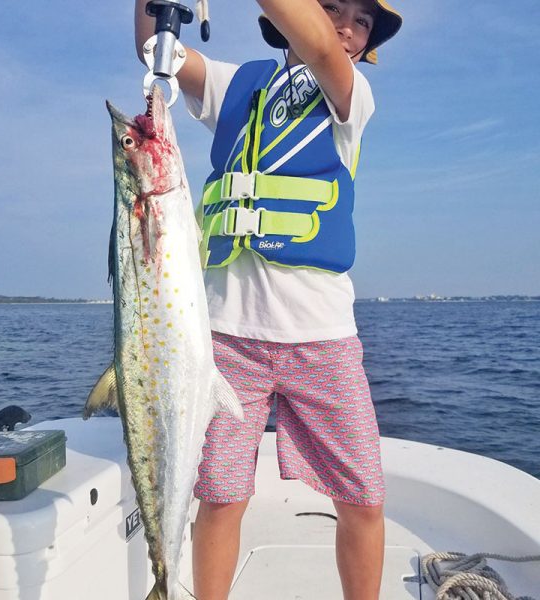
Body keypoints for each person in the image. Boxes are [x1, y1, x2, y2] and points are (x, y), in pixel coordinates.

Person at [135, 0, 402, 598]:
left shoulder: (351, 94)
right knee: (222, 496)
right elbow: (156, 50)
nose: (343, 26)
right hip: (225, 339)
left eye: (361, 19)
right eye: (329, 6)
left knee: (362, 498)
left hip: (324, 340)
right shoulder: (236, 84)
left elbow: (321, 49)